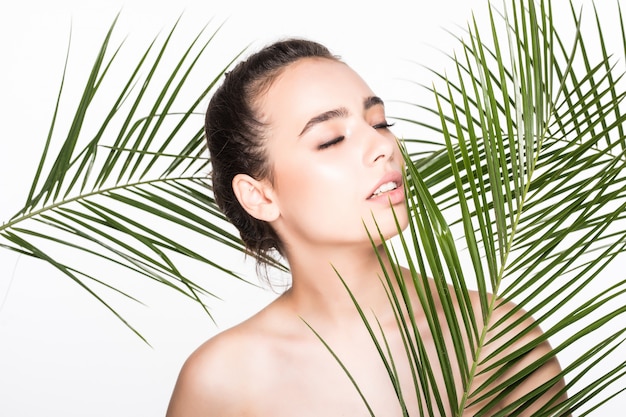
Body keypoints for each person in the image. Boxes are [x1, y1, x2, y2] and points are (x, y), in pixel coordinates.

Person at [166, 38, 566, 416]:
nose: (383, 147)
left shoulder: (493, 337)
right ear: (260, 196)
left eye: (379, 122)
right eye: (331, 140)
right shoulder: (220, 381)